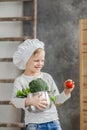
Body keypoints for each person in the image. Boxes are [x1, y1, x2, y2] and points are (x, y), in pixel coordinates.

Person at [11, 39, 75, 130]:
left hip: (53, 122)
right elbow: (14, 101)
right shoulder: (20, 80)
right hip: (34, 125)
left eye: (42, 60)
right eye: (37, 60)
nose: (40, 64)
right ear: (26, 60)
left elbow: (56, 101)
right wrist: (29, 101)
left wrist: (67, 92)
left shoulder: (47, 77)